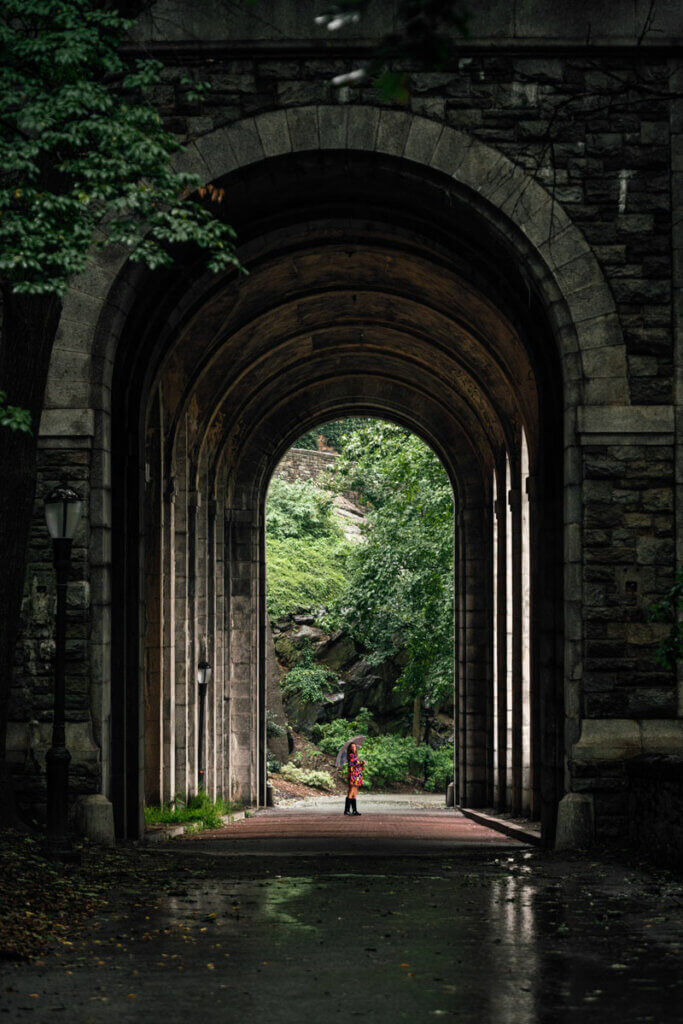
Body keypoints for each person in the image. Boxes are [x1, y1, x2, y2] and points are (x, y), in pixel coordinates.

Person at [344, 742, 364, 816]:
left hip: (357, 776)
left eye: (354, 747)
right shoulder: (351, 756)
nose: (353, 748)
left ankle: (354, 810)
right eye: (352, 747)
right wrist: (351, 778)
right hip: (353, 776)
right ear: (350, 748)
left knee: (354, 793)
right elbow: (351, 767)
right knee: (351, 792)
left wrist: (362, 763)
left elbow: (358, 766)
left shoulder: (355, 756)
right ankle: (347, 810)